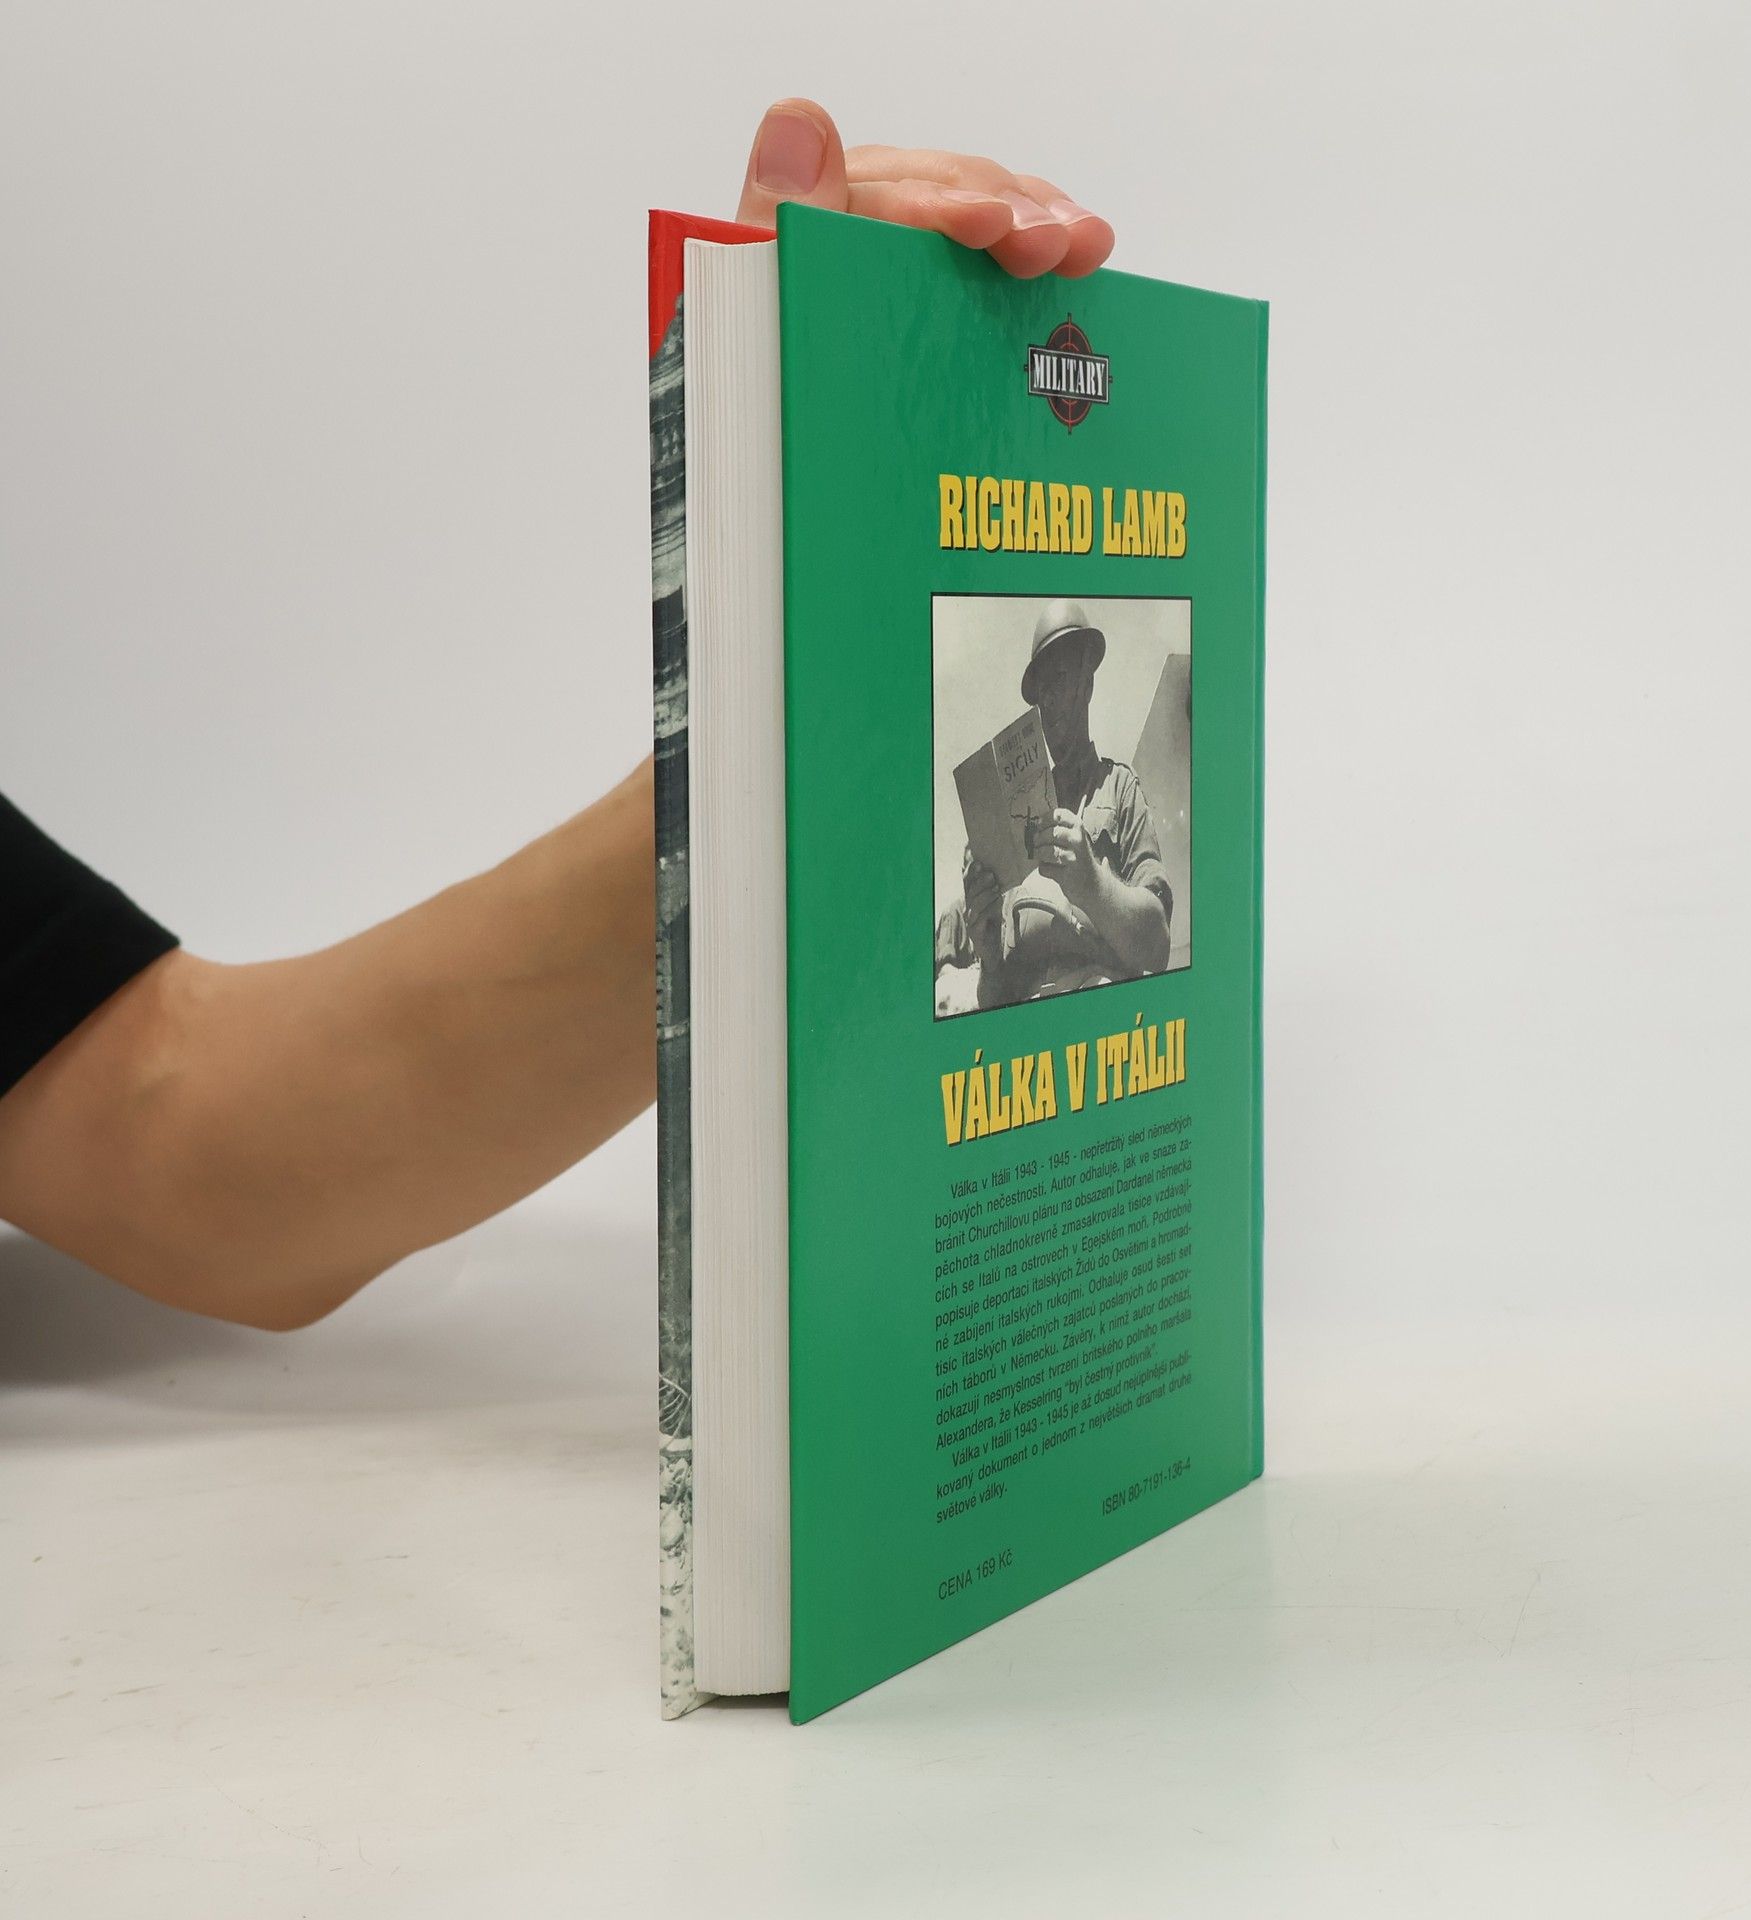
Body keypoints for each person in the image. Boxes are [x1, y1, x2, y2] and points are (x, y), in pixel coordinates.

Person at [0, 100, 1115, 1333]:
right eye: (1047, 676)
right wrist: (758, 764)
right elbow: (179, 1148)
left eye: (1076, 672)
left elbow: (174, 1133)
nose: (1061, 696)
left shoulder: (1119, 797)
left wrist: (778, 745)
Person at [960, 599, 1173, 1010]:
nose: (1050, 699)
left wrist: (1093, 884)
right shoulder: (1016, 819)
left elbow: (1157, 947)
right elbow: (995, 999)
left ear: (1086, 685)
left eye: (1059, 678)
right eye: (1042, 690)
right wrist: (989, 959)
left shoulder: (1119, 787)